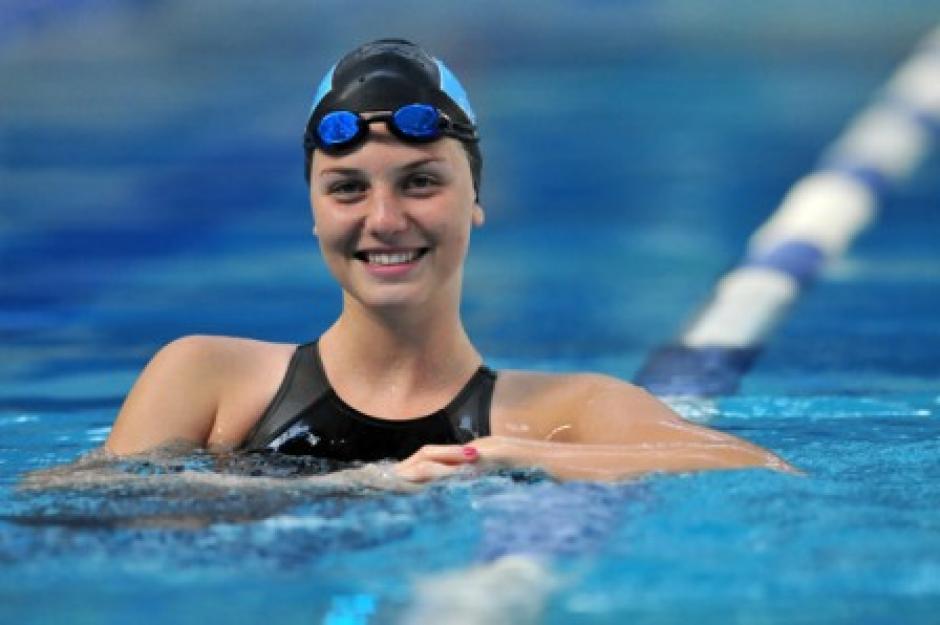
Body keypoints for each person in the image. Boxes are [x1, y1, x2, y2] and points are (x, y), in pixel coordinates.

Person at [104, 39, 795, 483]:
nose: (384, 219)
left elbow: (762, 468)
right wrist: (360, 484)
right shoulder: (206, 378)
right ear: (314, 213)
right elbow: (80, 510)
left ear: (475, 200)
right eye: (348, 188)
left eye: (421, 181)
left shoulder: (560, 413)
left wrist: (516, 457)